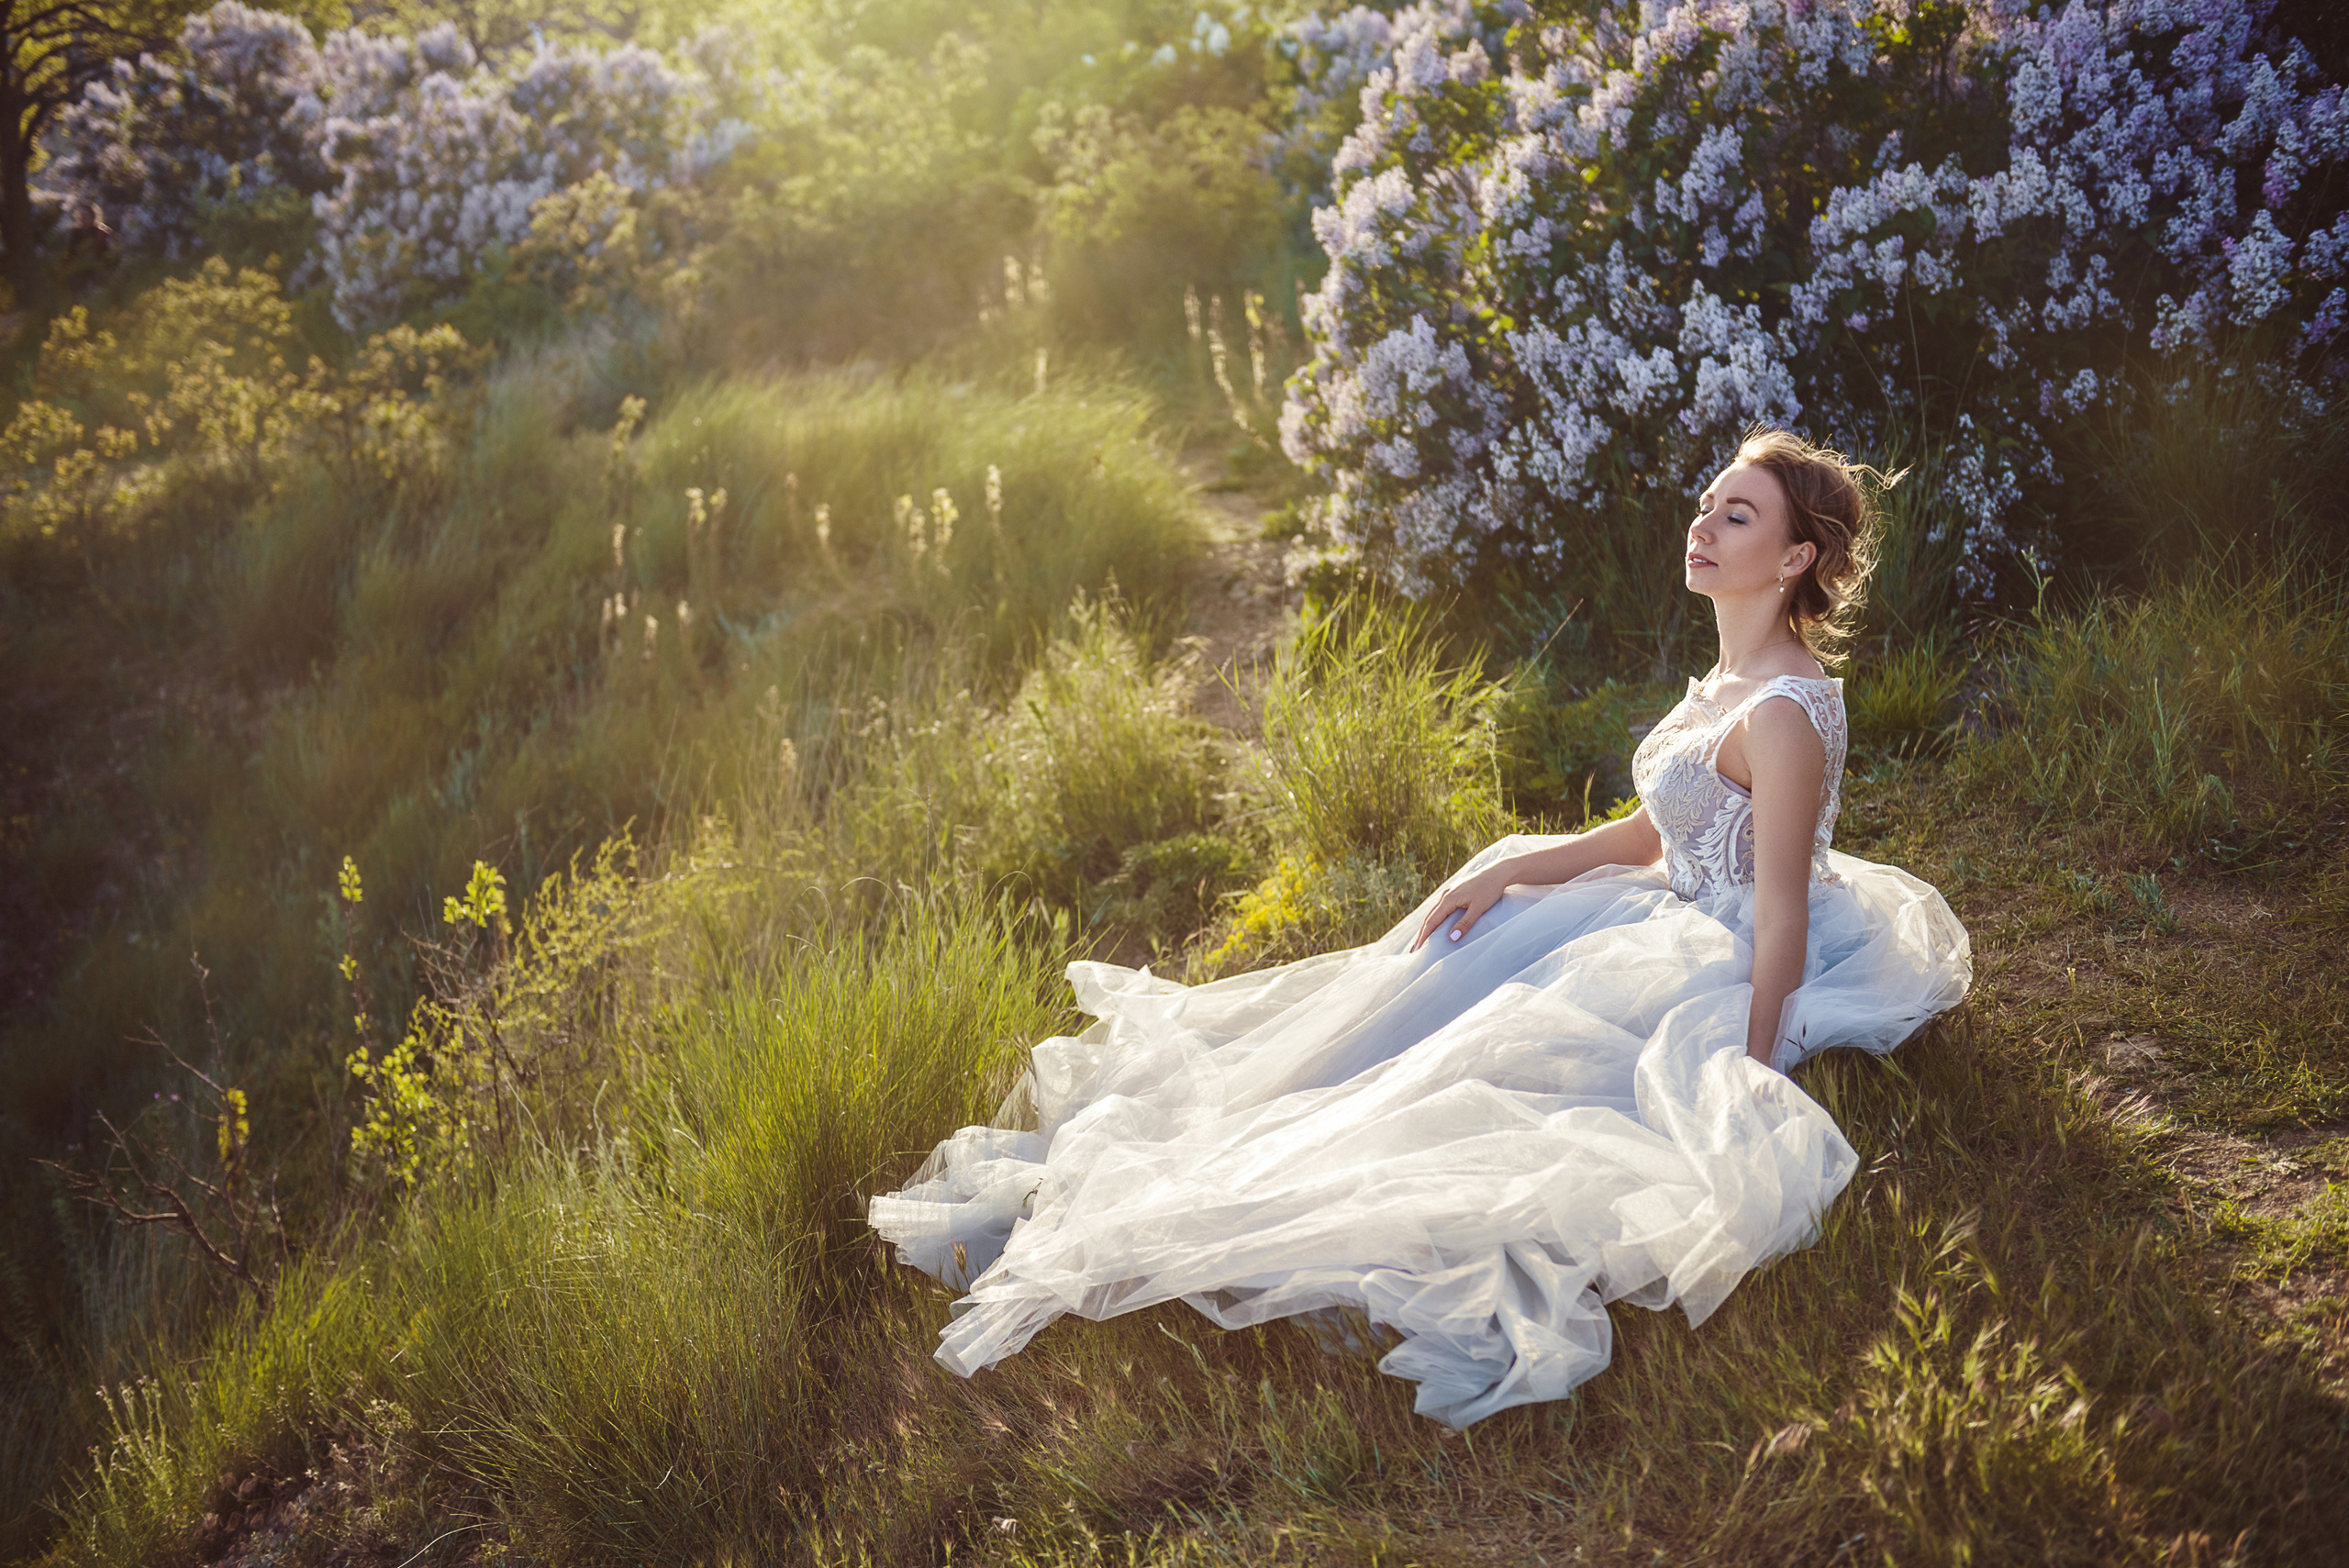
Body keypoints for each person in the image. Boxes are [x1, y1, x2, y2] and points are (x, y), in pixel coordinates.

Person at [869, 426, 1972, 1428]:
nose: (1703, 523)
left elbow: (1776, 903)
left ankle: (1293, 1195)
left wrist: (1752, 1055)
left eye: (1738, 516)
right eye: (1706, 502)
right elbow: (1653, 832)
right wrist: (1511, 869)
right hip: (1663, 898)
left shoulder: (1782, 712)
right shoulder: (1727, 680)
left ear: (1790, 561)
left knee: (1475, 1073)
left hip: (1720, 941)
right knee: (1437, 975)